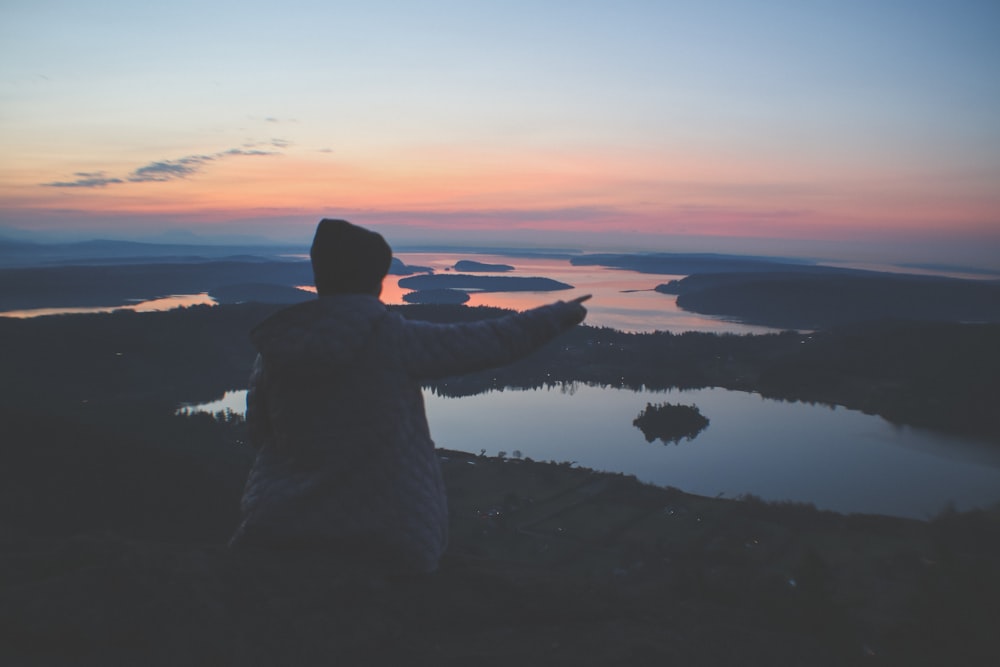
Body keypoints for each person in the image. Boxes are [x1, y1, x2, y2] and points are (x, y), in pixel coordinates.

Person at [229, 219, 589, 574]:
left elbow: (259, 433)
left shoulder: (278, 350)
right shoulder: (390, 339)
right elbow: (488, 341)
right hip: (383, 533)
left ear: (321, 276)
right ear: (374, 281)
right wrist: (558, 315)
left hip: (284, 522)